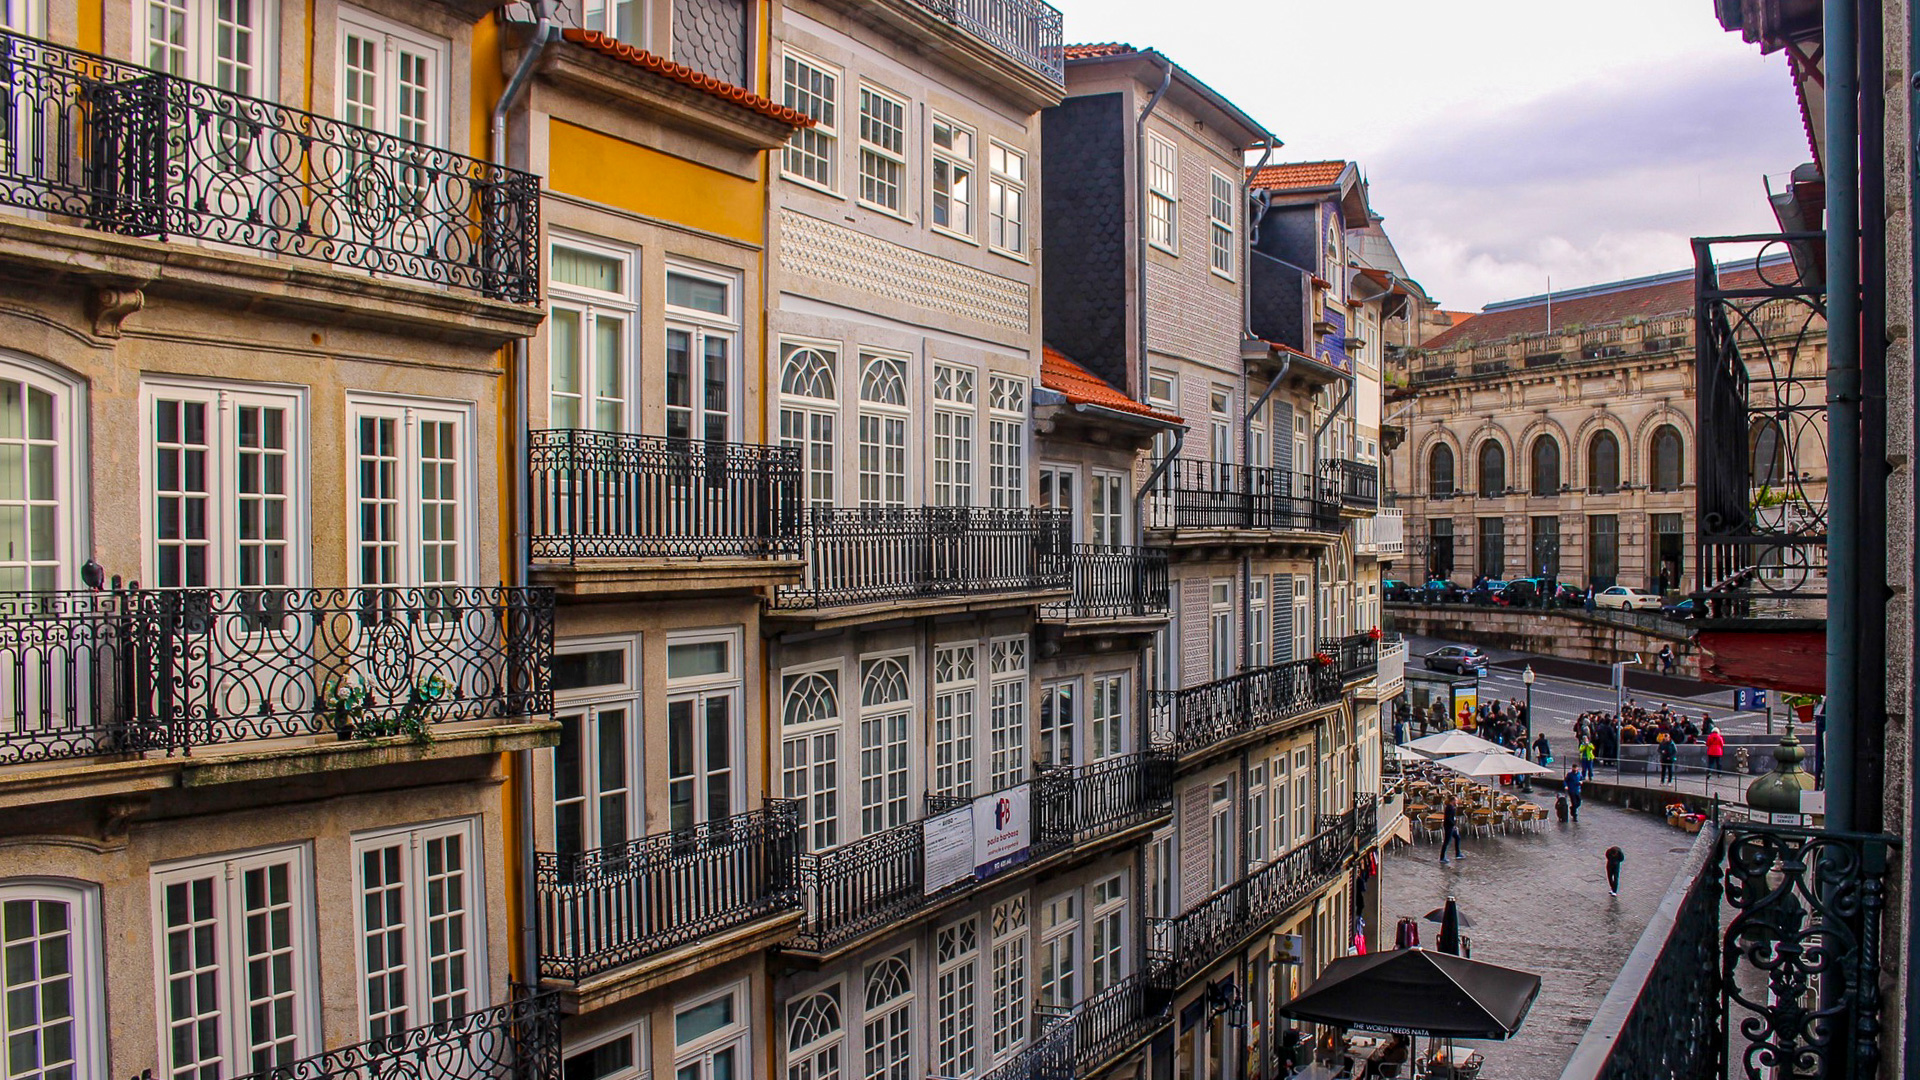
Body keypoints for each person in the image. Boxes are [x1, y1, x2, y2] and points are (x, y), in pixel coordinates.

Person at [1440, 794, 1465, 863]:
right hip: (1449, 826)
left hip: (1451, 826)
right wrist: (1453, 823)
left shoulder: (1451, 807)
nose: (1457, 802)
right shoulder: (1449, 808)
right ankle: (1442, 857)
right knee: (1447, 841)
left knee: (1457, 837)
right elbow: (1448, 818)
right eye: (1456, 800)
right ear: (1453, 801)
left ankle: (1458, 853)